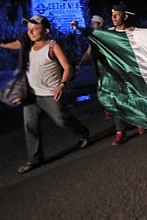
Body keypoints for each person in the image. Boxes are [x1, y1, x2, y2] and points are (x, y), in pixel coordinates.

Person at [3, 15, 90, 174]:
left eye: (35, 29)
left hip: (51, 93)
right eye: (29, 29)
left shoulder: (53, 46)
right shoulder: (28, 45)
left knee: (62, 120)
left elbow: (67, 67)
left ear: (46, 30)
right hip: (31, 95)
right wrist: (2, 45)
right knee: (31, 127)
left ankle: (83, 132)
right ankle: (34, 159)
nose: (31, 32)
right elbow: (18, 44)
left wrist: (62, 84)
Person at [108, 3, 146, 145]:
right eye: (112, 15)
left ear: (125, 16)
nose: (113, 18)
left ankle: (140, 121)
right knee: (117, 101)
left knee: (135, 97)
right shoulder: (109, 34)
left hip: (132, 71)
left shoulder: (133, 32)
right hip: (116, 73)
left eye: (116, 15)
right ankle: (120, 132)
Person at [74, 15, 112, 119]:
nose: (92, 25)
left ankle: (111, 109)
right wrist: (80, 63)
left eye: (94, 23)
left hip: (109, 67)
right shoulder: (94, 37)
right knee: (102, 89)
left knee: (110, 88)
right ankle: (107, 109)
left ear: (100, 24)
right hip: (98, 67)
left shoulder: (108, 35)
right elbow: (88, 52)